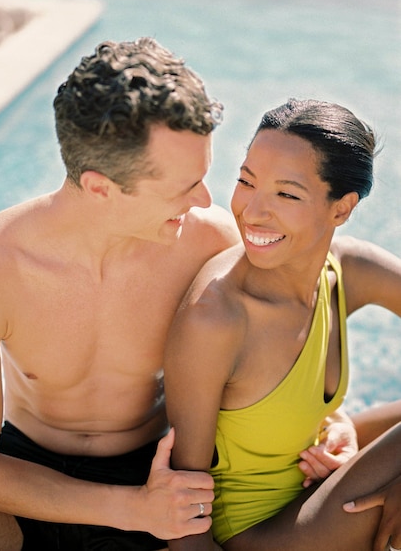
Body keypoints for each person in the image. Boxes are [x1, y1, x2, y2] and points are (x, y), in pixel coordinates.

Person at [0, 37, 243, 551]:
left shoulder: (210, 242)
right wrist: (131, 511)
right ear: (100, 187)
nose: (205, 200)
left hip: (160, 468)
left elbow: (282, 345)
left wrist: (330, 424)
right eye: (183, 186)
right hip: (26, 473)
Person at [164, 98, 401, 551]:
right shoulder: (217, 317)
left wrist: (341, 423)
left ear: (341, 208)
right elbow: (184, 512)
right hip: (256, 534)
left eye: (286, 194)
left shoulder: (349, 270)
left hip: (313, 493)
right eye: (245, 181)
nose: (252, 212)